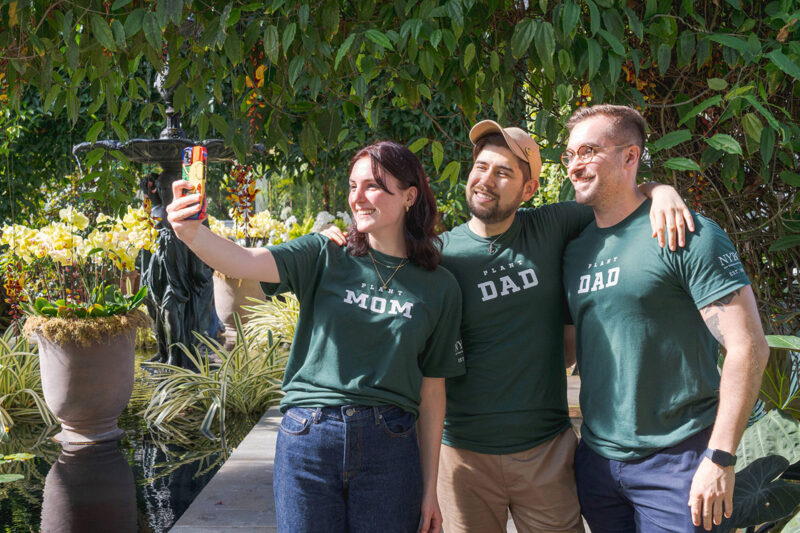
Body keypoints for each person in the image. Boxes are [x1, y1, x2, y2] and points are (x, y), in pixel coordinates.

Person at [323, 121, 692, 533]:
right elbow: (380, 280)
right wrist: (335, 242)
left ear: (528, 189)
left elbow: (615, 194)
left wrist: (661, 192)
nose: (486, 180)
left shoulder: (552, 226)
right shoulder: (436, 258)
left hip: (546, 452)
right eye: (481, 167)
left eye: (504, 173)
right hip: (463, 456)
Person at [166, 141, 465, 533]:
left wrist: (431, 489)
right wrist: (191, 233)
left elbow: (432, 391)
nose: (357, 197)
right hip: (308, 439)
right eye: (352, 186)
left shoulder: (439, 286)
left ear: (410, 195)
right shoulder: (325, 253)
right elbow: (243, 261)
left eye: (373, 186)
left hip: (390, 446)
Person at [561, 104, 770, 533]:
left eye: (587, 151)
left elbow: (748, 346)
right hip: (598, 463)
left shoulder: (686, 233)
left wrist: (721, 456)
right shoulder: (574, 248)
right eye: (569, 155)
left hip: (680, 461)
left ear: (630, 157)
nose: (574, 165)